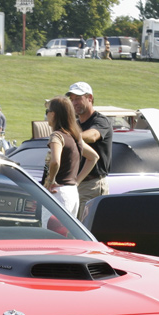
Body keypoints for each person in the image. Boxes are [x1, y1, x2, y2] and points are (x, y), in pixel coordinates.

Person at [42, 97, 99, 217]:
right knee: (66, 235)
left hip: (58, 192)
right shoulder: (75, 137)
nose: (46, 115)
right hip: (72, 193)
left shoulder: (57, 136)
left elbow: (55, 162)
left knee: (50, 234)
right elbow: (93, 157)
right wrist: (77, 182)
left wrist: (51, 181)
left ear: (54, 114)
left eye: (47, 112)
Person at [65, 82, 112, 220]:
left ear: (90, 98)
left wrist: (67, 137)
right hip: (76, 183)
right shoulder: (75, 124)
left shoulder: (101, 121)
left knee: (85, 228)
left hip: (92, 185)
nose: (74, 102)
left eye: (78, 98)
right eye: (72, 99)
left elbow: (92, 136)